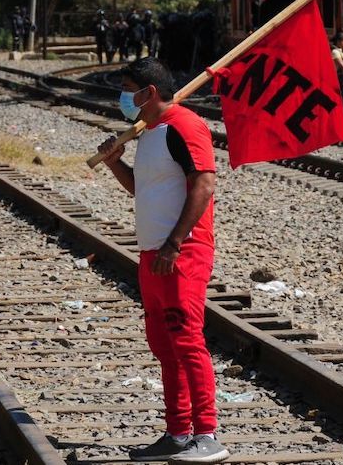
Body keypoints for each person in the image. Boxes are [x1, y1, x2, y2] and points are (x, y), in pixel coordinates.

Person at [97, 58, 229, 464]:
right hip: (152, 251)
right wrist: (114, 161)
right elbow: (143, 190)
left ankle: (207, 435)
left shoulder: (185, 126)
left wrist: (174, 244)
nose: (123, 96)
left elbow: (204, 184)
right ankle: (177, 432)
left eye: (127, 88)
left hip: (182, 251)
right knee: (164, 344)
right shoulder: (149, 132)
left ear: (149, 92)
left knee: (186, 339)